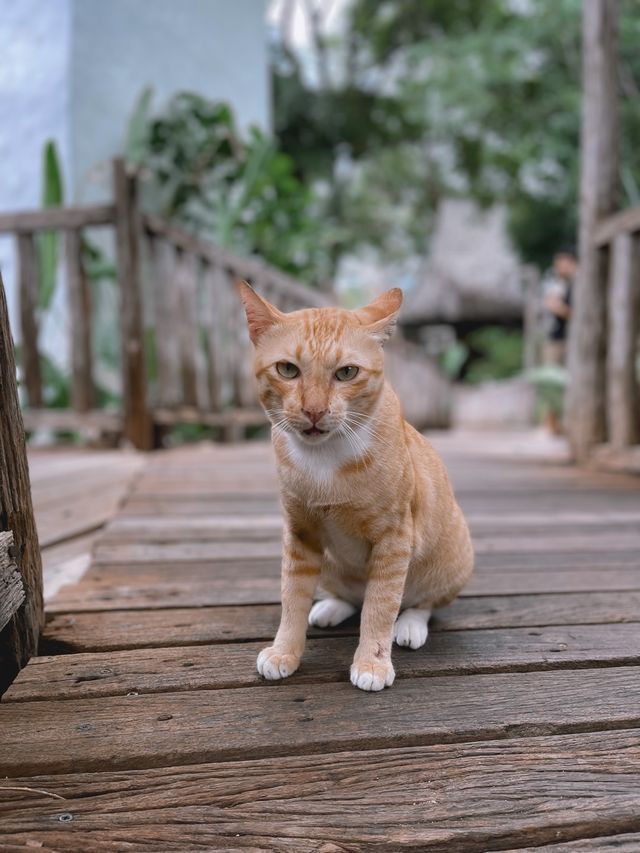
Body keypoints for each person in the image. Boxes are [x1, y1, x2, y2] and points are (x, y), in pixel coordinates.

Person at [543, 247, 577, 365]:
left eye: (559, 264)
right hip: (557, 337)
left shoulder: (579, 285)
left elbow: (579, 315)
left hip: (569, 340)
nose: (556, 268)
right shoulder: (561, 284)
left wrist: (557, 308)